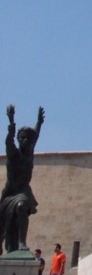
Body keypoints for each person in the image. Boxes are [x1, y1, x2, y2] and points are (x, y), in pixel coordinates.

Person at [0, 105, 44, 254]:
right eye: (22, 138)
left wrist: (39, 122)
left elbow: (36, 135)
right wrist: (11, 123)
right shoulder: (13, 153)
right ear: (18, 139)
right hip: (10, 192)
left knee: (21, 206)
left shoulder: (30, 152)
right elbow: (8, 142)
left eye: (27, 138)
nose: (25, 141)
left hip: (24, 191)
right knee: (4, 228)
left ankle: (21, 242)